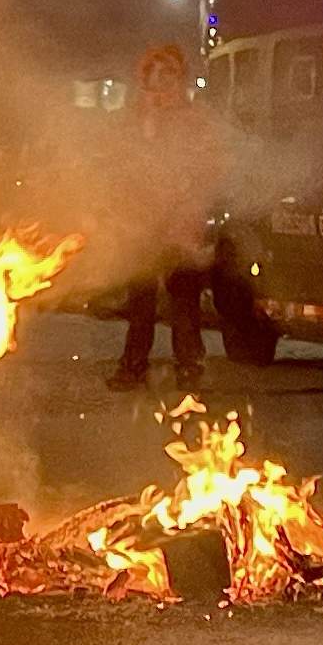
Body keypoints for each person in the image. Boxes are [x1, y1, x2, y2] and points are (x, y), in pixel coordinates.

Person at [105, 43, 219, 391]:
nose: (161, 82)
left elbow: (209, 165)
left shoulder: (193, 119)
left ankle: (189, 368)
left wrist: (189, 200)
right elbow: (118, 163)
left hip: (181, 225)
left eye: (168, 74)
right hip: (143, 224)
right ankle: (133, 367)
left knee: (183, 303)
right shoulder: (135, 118)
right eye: (155, 75)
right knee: (140, 301)